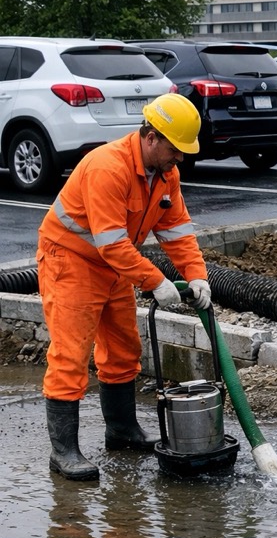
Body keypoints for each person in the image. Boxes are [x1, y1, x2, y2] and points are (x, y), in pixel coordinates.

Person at [36, 93, 212, 480]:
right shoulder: (108, 167)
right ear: (151, 138)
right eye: (174, 149)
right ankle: (63, 452)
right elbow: (111, 242)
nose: (180, 158)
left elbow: (177, 231)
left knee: (123, 350)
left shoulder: (165, 174)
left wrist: (196, 274)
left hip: (113, 264)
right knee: (70, 355)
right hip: (72, 261)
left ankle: (122, 431)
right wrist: (156, 281)